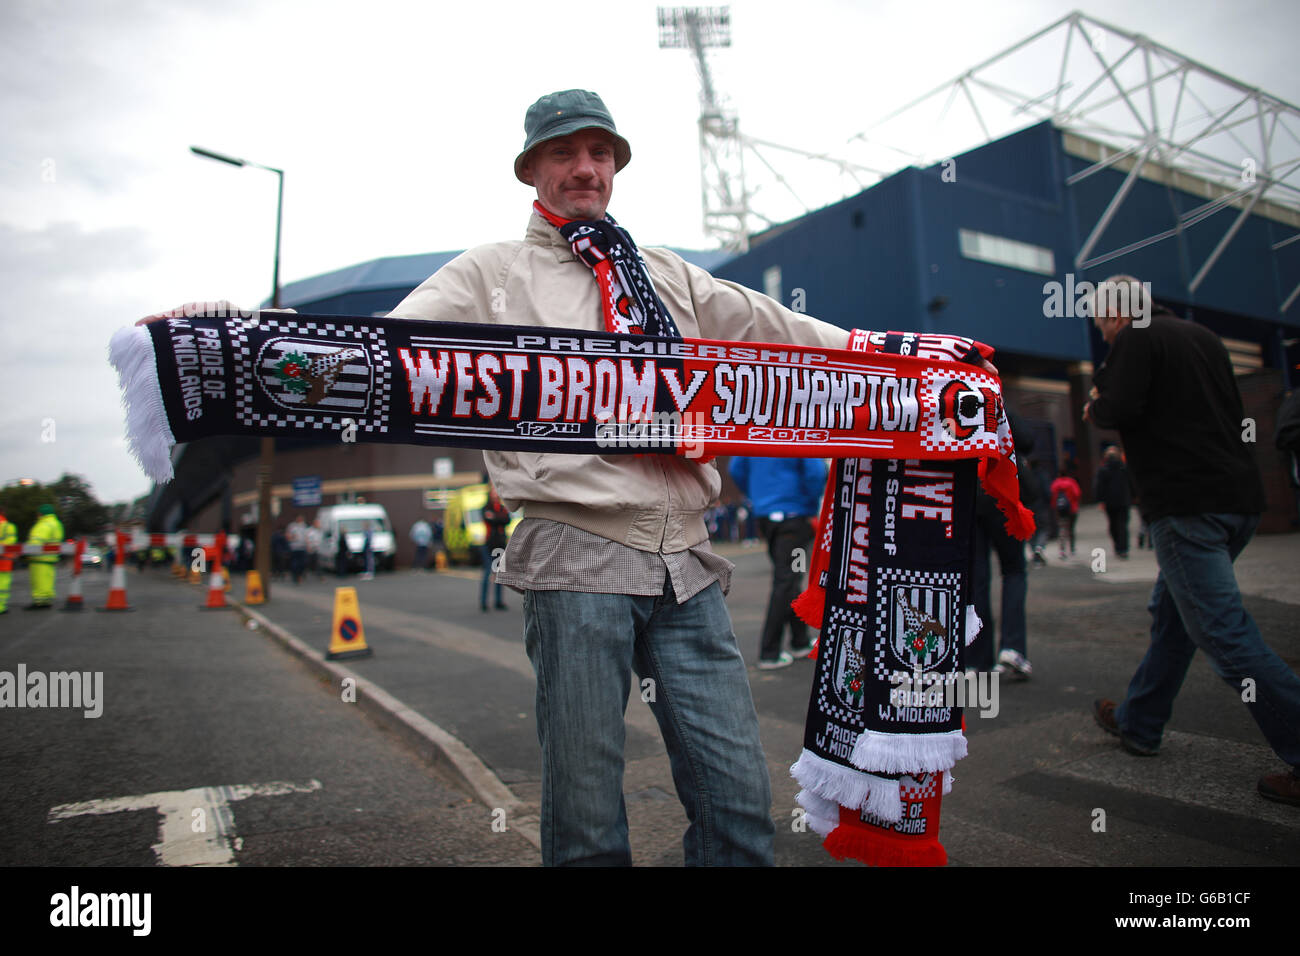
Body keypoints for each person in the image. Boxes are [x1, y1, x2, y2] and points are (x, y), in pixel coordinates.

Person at [386, 89, 857, 865]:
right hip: (575, 556)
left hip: (689, 564)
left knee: (739, 801)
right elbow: (379, 348)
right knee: (588, 818)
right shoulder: (490, 275)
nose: (585, 168)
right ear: (531, 168)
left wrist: (899, 358)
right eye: (565, 153)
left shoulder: (667, 275)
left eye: (599, 153)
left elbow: (785, 332)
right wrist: (230, 340)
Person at [1083, 275, 1299, 807]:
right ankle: (1140, 721)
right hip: (1237, 500)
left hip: (1186, 507)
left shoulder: (1137, 338)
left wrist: (1094, 403)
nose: (1105, 335)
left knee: (1225, 635)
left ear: (1116, 313)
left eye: (1102, 325)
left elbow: (1117, 409)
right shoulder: (1200, 336)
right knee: (1174, 616)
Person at [728, 456, 827, 668]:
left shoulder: (753, 430)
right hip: (795, 516)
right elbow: (815, 472)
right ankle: (769, 652)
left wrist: (758, 494)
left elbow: (736, 468)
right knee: (787, 580)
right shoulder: (799, 428)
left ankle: (799, 640)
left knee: (789, 578)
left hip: (767, 517)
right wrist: (809, 506)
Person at [969, 411, 1037, 677]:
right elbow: (1026, 439)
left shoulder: (950, 395)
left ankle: (976, 659)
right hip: (1000, 492)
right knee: (1014, 570)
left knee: (977, 578)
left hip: (969, 498)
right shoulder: (994, 397)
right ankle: (1012, 648)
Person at [1094, 445, 1132, 559]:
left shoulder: (1103, 470)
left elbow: (1099, 487)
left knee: (1113, 524)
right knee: (1123, 525)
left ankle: (1117, 546)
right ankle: (1123, 548)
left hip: (1109, 502)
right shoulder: (1124, 468)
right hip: (1123, 500)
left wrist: (1100, 500)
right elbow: (1131, 483)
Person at [25, 503, 63, 610]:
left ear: (41, 514)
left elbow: (35, 542)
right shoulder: (56, 523)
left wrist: (26, 552)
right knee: (47, 580)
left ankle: (39, 602)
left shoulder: (43, 524)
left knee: (39, 580)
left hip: (39, 558)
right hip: (50, 558)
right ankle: (46, 600)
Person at [480, 484, 510, 612]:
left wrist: (495, 518)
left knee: (499, 574)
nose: (495, 494)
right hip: (489, 545)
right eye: (493, 492)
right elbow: (491, 520)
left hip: (500, 544)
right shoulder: (485, 508)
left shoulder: (502, 508)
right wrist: (498, 519)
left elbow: (506, 520)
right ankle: (483, 602)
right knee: (487, 573)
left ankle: (498, 601)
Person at [1049, 467, 1081, 558]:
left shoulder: (1055, 484)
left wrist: (1055, 507)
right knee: (1071, 529)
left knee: (1062, 528)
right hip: (1072, 509)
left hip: (1060, 510)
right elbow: (1077, 494)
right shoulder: (1071, 482)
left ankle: (1062, 550)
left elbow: (1052, 497)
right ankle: (1072, 548)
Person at [0, 511, 17, 614]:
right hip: (4, 561)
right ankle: (1, 606)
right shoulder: (8, 526)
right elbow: (11, 543)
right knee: (2, 584)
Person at [286, 515, 308, 584]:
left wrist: (307, 545)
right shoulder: (292, 526)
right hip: (294, 547)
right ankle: (295, 576)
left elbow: (306, 536)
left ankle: (299, 575)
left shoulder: (304, 526)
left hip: (302, 547)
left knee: (302, 563)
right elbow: (288, 536)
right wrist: (292, 537)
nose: (301, 520)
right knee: (295, 563)